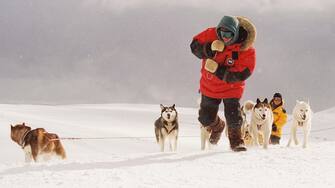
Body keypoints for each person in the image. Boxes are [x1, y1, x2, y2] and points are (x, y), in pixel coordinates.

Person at [190, 15, 256, 152]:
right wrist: (208, 49)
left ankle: (236, 142)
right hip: (209, 86)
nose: (224, 37)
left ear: (236, 32)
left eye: (229, 34)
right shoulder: (210, 34)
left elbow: (244, 72)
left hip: (232, 88)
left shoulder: (246, 48)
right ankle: (218, 126)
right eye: (222, 33)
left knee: (234, 116)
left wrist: (218, 71)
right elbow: (194, 46)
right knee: (205, 119)